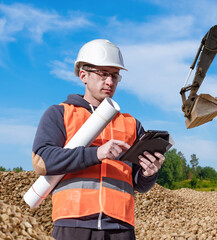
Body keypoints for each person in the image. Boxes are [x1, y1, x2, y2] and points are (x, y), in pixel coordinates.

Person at [32, 39, 165, 240]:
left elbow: (139, 184)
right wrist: (96, 153)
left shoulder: (132, 124)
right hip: (73, 224)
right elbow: (42, 160)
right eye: (103, 74)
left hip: (121, 228)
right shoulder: (60, 114)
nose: (110, 82)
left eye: (114, 76)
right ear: (83, 75)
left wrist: (149, 173)